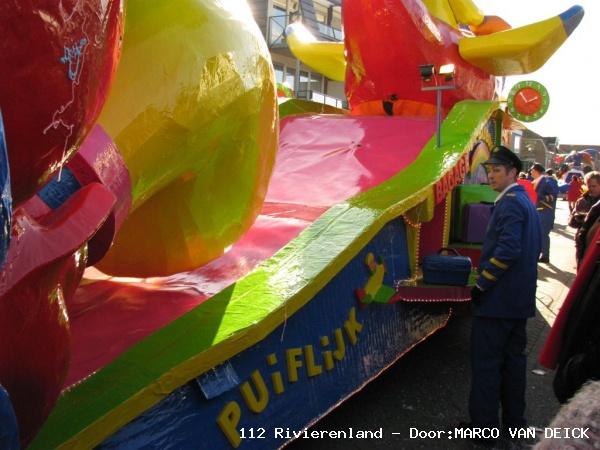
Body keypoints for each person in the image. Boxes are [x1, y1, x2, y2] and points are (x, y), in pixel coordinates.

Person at [464, 146, 542, 442]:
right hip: (518, 303)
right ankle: (514, 425)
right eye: (489, 169)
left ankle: (483, 430)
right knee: (513, 367)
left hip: (497, 303)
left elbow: (508, 250)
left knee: (487, 366)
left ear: (513, 172)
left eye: (497, 170)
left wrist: (482, 284)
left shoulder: (509, 203)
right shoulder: (524, 200)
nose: (491, 175)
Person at [568, 171, 600, 269]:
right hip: (582, 243)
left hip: (596, 244)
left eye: (594, 186)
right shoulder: (581, 201)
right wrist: (576, 218)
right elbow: (571, 222)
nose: (591, 189)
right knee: (581, 269)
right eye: (589, 186)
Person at [531, 163, 559, 263]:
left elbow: (553, 196)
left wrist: (539, 197)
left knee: (543, 234)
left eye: (532, 170)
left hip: (545, 211)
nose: (531, 172)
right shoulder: (534, 182)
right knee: (535, 234)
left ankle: (545, 255)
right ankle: (536, 253)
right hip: (536, 211)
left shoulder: (546, 182)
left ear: (536, 171)